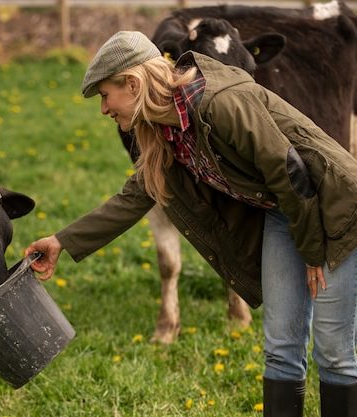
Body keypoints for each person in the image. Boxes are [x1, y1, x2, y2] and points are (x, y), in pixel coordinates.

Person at [24, 31, 357, 417]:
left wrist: (312, 251)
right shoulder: (163, 130)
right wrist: (62, 242)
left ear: (132, 84)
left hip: (336, 209)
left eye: (104, 95)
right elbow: (136, 196)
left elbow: (290, 171)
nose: (104, 109)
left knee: (333, 351)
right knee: (281, 348)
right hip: (287, 213)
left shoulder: (220, 102)